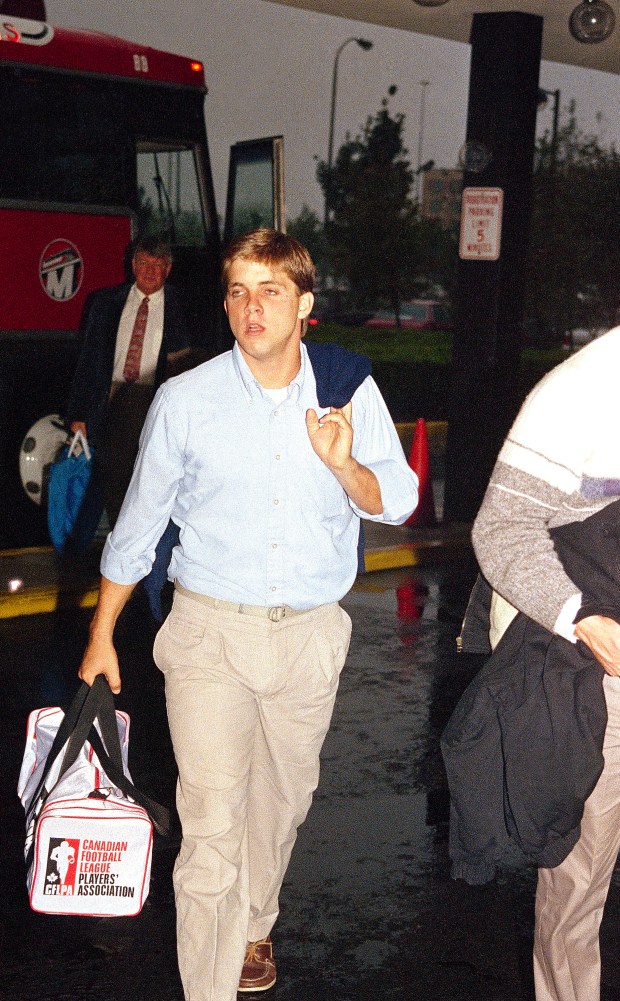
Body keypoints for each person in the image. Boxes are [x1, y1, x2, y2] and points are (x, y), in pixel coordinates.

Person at [77, 228, 418, 1001]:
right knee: (211, 828)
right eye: (237, 289)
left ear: (304, 303)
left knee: (281, 806)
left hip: (307, 634)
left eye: (269, 290)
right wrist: (101, 634)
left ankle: (256, 921)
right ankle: (210, 984)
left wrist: (345, 463)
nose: (250, 306)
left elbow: (397, 500)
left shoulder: (346, 389)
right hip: (208, 634)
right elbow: (136, 528)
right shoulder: (185, 400)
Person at [468, 324, 620, 1001]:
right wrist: (582, 618)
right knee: (578, 880)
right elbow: (499, 529)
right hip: (592, 669)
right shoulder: (581, 391)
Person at [65, 233, 190, 527]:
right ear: (133, 265)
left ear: (168, 269)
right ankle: (122, 541)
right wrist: (78, 414)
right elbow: (87, 362)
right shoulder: (105, 303)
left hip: (155, 399)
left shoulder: (183, 308)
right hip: (112, 397)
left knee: (155, 477)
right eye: (144, 263)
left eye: (157, 265)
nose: (149, 271)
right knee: (114, 472)